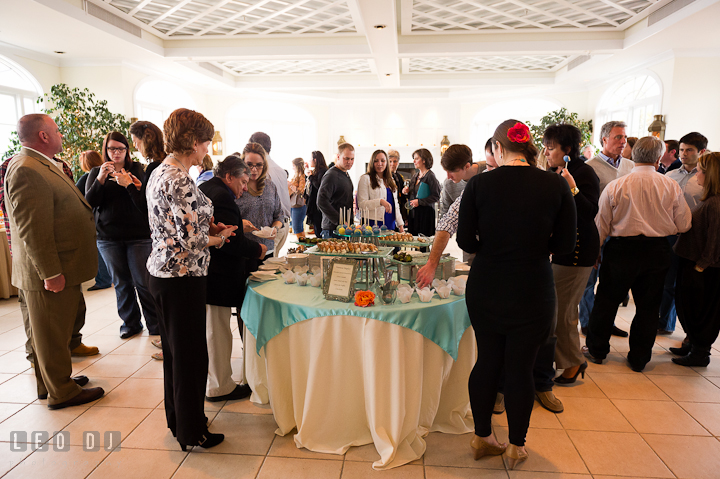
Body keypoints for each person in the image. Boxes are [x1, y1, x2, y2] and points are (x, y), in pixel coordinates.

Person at [457, 120, 576, 468]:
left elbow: (465, 241)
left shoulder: (479, 184)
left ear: (496, 148)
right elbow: (566, 245)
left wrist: (493, 246)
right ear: (530, 147)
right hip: (533, 285)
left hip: (487, 283)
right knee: (521, 368)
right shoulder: (554, 185)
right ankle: (516, 446)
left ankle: (481, 437)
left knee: (488, 360)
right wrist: (536, 247)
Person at [146, 108, 236, 450]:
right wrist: (219, 238)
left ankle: (179, 421)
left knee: (176, 355)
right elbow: (189, 240)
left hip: (164, 272)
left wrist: (209, 227)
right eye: (205, 142)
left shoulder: (160, 171)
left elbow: (177, 223)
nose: (207, 149)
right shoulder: (180, 178)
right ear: (193, 142)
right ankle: (193, 430)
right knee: (190, 358)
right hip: (182, 276)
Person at [5, 113, 104, 408]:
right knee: (50, 336)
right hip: (48, 272)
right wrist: (50, 272)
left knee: (47, 333)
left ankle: (50, 384)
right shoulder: (27, 169)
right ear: (44, 136)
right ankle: (63, 391)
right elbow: (33, 230)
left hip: (56, 267)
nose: (62, 136)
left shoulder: (40, 164)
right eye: (58, 131)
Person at [584, 137, 692, 372]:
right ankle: (639, 357)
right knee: (648, 306)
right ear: (657, 158)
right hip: (657, 250)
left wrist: (596, 252)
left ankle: (597, 349)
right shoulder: (670, 185)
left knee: (606, 301)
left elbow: (601, 223)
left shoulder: (617, 185)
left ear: (634, 156)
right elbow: (684, 224)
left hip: (621, 249)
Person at [199, 155, 266, 401]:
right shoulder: (223, 196)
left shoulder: (208, 186)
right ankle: (219, 386)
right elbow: (230, 242)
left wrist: (240, 225)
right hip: (217, 275)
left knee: (213, 331)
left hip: (209, 272)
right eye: (243, 182)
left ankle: (216, 382)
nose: (245, 188)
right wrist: (256, 250)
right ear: (229, 176)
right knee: (216, 332)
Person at [542, 125, 601, 385]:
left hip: (577, 253)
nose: (546, 152)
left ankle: (574, 363)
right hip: (562, 251)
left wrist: (572, 188)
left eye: (551, 147)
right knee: (558, 309)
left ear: (567, 150)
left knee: (563, 311)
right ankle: (567, 359)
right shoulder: (556, 171)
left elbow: (588, 214)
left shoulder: (583, 172)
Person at [85, 131, 159, 339]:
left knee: (143, 281)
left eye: (120, 149)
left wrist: (129, 183)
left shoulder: (138, 169)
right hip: (108, 237)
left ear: (127, 150)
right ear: (105, 150)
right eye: (111, 149)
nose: (116, 153)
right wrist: (100, 178)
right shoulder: (96, 172)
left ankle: (154, 323)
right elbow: (89, 202)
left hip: (139, 234)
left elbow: (146, 201)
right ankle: (130, 323)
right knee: (121, 282)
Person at [579, 121, 635, 338]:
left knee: (612, 285)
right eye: (618, 137)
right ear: (604, 140)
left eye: (625, 137)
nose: (623, 142)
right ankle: (587, 322)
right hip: (595, 232)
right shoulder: (590, 167)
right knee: (588, 283)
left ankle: (605, 323)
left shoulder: (630, 167)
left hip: (621, 234)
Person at [671, 152, 720, 366]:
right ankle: (694, 346)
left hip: (704, 269)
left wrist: (702, 265)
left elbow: (715, 239)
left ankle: (700, 352)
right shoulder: (710, 200)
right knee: (690, 308)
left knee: (701, 312)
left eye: (700, 171)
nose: (696, 174)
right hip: (693, 262)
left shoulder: (715, 203)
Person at [659, 132, 708, 335]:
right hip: (671, 235)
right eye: (681, 149)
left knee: (690, 285)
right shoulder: (670, 176)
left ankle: (691, 332)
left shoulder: (706, 179)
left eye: (689, 150)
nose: (683, 154)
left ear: (701, 152)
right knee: (667, 282)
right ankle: (664, 323)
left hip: (695, 238)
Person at [235, 142, 284, 269]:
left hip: (268, 249)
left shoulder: (270, 186)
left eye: (259, 165)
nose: (254, 169)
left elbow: (279, 215)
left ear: (264, 165)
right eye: (249, 165)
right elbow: (229, 218)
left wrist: (275, 229)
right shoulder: (237, 187)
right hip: (245, 251)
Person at [248, 132, 291, 256]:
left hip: (272, 227)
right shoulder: (280, 169)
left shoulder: (263, 172)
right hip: (284, 223)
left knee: (267, 265)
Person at [76, 150, 112, 292]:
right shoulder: (108, 174)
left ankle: (103, 279)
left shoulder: (86, 178)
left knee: (98, 250)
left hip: (92, 219)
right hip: (105, 218)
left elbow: (78, 198)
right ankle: (107, 277)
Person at [357, 150, 404, 231]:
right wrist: (380, 202)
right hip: (372, 223)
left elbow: (395, 204)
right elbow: (361, 204)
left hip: (390, 223)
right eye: (376, 161)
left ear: (387, 163)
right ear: (372, 162)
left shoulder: (391, 180)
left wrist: (401, 226)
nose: (379, 164)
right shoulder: (365, 179)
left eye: (383, 161)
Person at [317, 143, 355, 238]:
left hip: (344, 228)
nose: (349, 162)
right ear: (338, 156)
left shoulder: (345, 174)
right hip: (333, 230)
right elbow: (321, 201)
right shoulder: (331, 175)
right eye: (346, 158)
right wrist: (339, 220)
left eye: (352, 159)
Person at [403, 148, 441, 236]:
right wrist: (406, 192)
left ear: (424, 160)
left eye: (416, 158)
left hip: (425, 215)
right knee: (413, 241)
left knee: (423, 244)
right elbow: (412, 195)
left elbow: (436, 196)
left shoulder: (430, 176)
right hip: (414, 214)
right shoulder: (415, 176)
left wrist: (419, 202)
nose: (414, 161)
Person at [305, 150, 327, 237]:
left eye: (310, 159)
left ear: (315, 160)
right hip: (315, 205)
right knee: (317, 230)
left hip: (319, 206)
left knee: (319, 230)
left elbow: (319, 186)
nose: (309, 161)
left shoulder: (323, 171)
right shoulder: (317, 171)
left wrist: (310, 176)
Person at [388, 149, 408, 227]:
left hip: (399, 209)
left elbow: (403, 198)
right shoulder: (384, 177)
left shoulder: (400, 177)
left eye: (395, 161)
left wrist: (405, 217)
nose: (392, 164)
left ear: (398, 163)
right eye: (390, 161)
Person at [288, 157, 307, 239]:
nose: (292, 167)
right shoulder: (296, 176)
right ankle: (302, 246)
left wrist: (291, 186)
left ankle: (301, 246)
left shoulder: (302, 176)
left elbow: (301, 190)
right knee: (298, 227)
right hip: (294, 205)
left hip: (299, 205)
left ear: (297, 166)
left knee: (297, 227)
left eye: (293, 165)